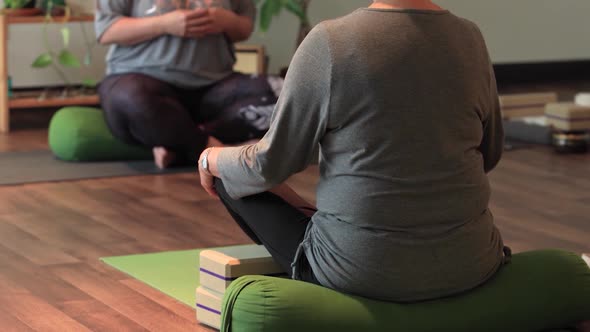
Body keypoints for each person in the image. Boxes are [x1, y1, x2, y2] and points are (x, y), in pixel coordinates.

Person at [198, 0, 509, 302]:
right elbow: (490, 153)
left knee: (228, 175)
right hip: (473, 262)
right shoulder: (470, 37)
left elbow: (269, 163)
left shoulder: (330, 41)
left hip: (360, 271)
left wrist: (210, 157)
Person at [95, 0, 274, 168]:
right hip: (143, 83)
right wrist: (164, 24)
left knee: (281, 94)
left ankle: (177, 143)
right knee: (130, 99)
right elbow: (106, 30)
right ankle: (211, 149)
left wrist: (226, 21)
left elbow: (244, 28)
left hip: (215, 87)